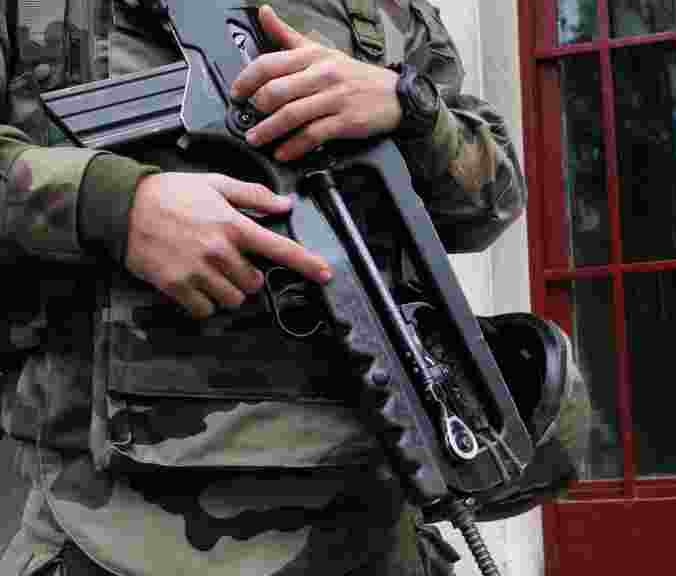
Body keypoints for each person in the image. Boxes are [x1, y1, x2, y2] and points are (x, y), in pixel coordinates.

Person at [0, 1, 591, 575]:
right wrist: (111, 205)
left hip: (371, 526)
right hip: (109, 531)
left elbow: (492, 204)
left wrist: (406, 107)